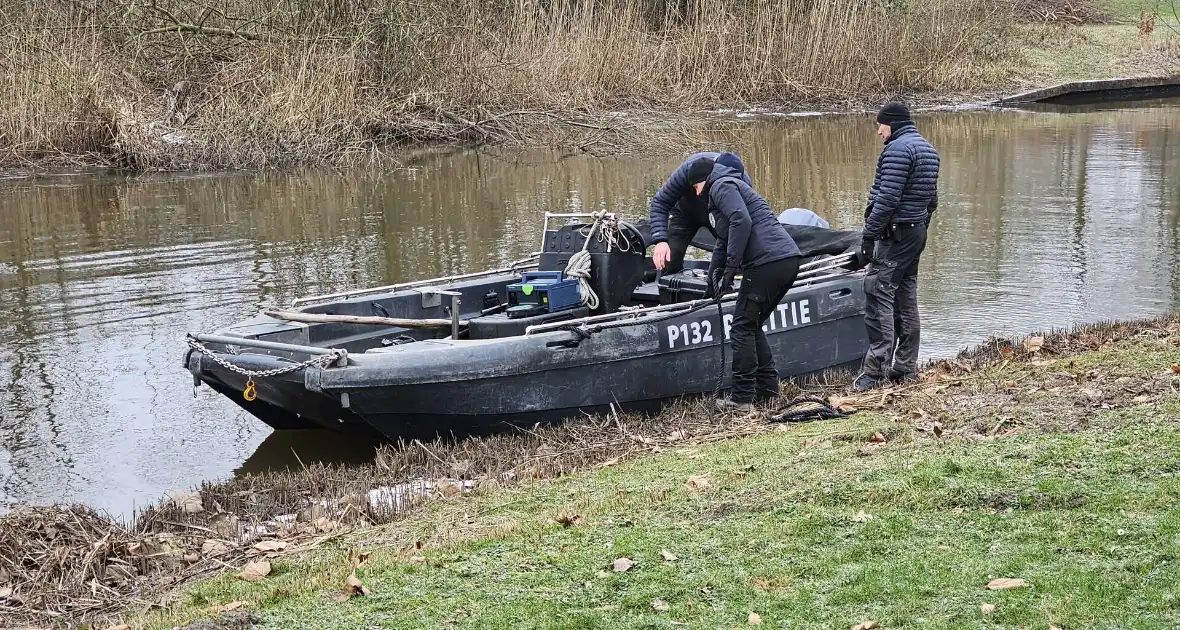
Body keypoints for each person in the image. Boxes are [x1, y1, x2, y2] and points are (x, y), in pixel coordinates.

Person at [685, 154, 803, 411]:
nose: (695, 194)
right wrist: (712, 281)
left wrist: (731, 268)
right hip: (784, 260)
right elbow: (724, 240)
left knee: (740, 328)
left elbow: (742, 220)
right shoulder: (729, 187)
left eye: (695, 187)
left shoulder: (720, 185)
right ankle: (768, 392)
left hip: (767, 263)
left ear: (701, 182)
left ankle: (742, 399)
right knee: (751, 325)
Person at [852, 102, 940, 392]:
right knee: (906, 295)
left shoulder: (898, 150)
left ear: (893, 124)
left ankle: (874, 373)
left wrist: (869, 236)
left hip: (897, 234)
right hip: (915, 233)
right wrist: (919, 229)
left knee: (878, 291)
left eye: (881, 125)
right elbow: (932, 202)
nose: (878, 131)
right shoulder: (927, 149)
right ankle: (905, 367)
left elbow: (887, 199)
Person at [649, 151, 752, 274]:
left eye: (698, 187)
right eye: (694, 187)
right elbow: (660, 203)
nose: (698, 193)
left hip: (718, 213)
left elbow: (743, 221)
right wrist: (660, 240)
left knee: (738, 259)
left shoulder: (739, 180)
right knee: (670, 260)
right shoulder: (687, 171)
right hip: (685, 214)